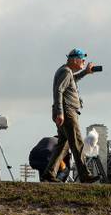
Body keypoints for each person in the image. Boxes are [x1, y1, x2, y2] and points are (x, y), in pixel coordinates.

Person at [43, 48, 99, 183]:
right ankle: (85, 175)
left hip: (66, 112)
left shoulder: (66, 72)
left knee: (63, 145)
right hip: (67, 112)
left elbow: (73, 79)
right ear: (74, 60)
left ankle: (49, 173)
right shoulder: (65, 71)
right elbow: (59, 91)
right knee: (78, 144)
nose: (84, 62)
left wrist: (85, 72)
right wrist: (60, 112)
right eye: (82, 60)